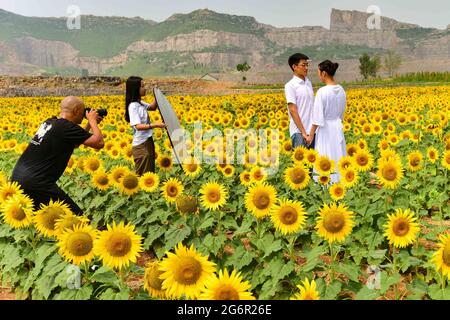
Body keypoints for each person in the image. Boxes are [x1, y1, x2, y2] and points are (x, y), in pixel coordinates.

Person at [11, 96, 104, 214]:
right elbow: (99, 143)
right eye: (82, 110)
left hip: (19, 179)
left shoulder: (50, 122)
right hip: (37, 182)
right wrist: (92, 120)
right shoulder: (66, 127)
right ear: (76, 110)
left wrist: (89, 125)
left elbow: (74, 142)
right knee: (76, 218)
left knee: (47, 220)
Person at [307, 60, 347, 183]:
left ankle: (327, 184)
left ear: (324, 73)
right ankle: (339, 183)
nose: (318, 75)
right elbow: (341, 114)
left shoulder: (322, 92)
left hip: (325, 129)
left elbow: (317, 118)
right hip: (337, 126)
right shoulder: (341, 90)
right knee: (338, 154)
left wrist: (311, 134)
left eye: (319, 72)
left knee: (325, 157)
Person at [124, 76, 165, 176]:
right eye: (142, 86)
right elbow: (137, 126)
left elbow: (152, 107)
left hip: (147, 141)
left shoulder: (140, 103)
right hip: (141, 145)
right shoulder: (133, 106)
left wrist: (157, 94)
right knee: (143, 176)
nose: (145, 88)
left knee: (150, 174)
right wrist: (154, 125)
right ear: (135, 89)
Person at [284, 53, 315, 149]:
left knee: (314, 162)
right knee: (301, 163)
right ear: (294, 67)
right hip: (299, 133)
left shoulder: (308, 83)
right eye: (303, 65)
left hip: (312, 132)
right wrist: (304, 133)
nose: (306, 68)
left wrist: (312, 132)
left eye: (307, 65)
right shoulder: (290, 85)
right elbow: (293, 110)